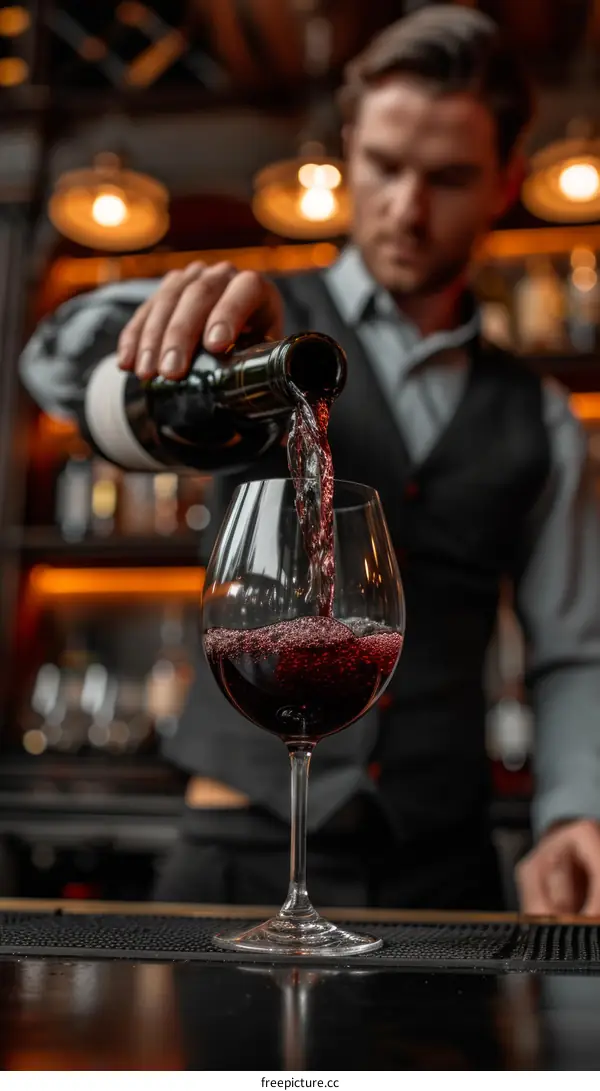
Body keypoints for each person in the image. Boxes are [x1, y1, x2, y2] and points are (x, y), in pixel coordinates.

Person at [20, 5, 600, 914]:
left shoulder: (545, 418)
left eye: (447, 177)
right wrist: (187, 334)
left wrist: (575, 812)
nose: (408, 208)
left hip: (439, 863)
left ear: (504, 183)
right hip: (233, 854)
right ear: (350, 153)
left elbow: (576, 653)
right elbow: (54, 369)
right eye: (385, 167)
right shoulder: (260, 324)